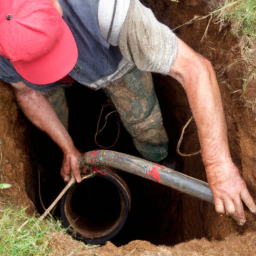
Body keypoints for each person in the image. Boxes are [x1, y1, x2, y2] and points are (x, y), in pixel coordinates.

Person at [0, 0, 255, 225]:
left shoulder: (106, 9)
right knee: (53, 130)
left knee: (144, 121)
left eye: (54, 50)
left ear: (56, 6)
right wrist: (68, 148)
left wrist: (218, 165)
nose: (54, 64)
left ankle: (160, 164)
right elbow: (27, 93)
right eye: (41, 60)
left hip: (114, 65)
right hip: (45, 87)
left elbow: (195, 69)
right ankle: (56, 163)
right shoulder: (4, 47)